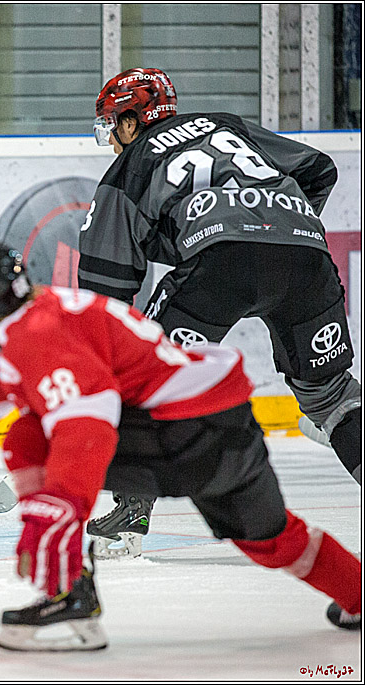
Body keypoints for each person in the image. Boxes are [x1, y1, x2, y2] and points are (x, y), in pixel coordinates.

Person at [0, 240, 362, 651]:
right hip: (221, 428)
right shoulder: (27, 323)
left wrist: (60, 505)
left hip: (185, 434)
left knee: (28, 435)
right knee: (273, 540)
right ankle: (358, 593)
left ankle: (67, 594)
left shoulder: (37, 333)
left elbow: (85, 427)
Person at [76, 67, 362, 557]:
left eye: (110, 127)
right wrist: (276, 226)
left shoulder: (132, 166)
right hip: (306, 255)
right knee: (330, 394)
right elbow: (318, 169)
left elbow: (106, 283)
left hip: (220, 264)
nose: (111, 141)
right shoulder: (227, 124)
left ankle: (131, 512)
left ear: (129, 121)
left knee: (148, 377)